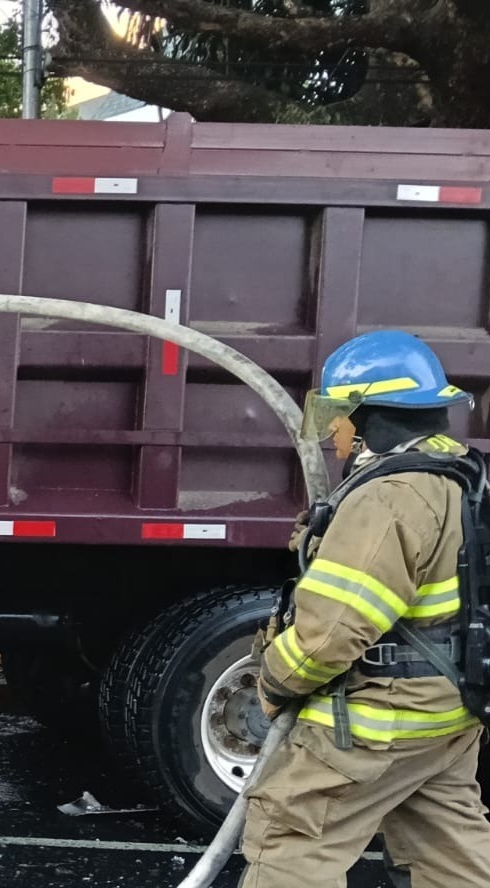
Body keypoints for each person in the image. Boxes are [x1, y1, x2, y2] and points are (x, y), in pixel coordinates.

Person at [244, 329, 490, 886]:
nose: (334, 429)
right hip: (447, 717)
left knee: (291, 840)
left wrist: (275, 682)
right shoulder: (466, 478)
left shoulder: (390, 497)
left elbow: (330, 634)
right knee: (452, 852)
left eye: (341, 413)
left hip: (380, 723)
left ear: (369, 414)